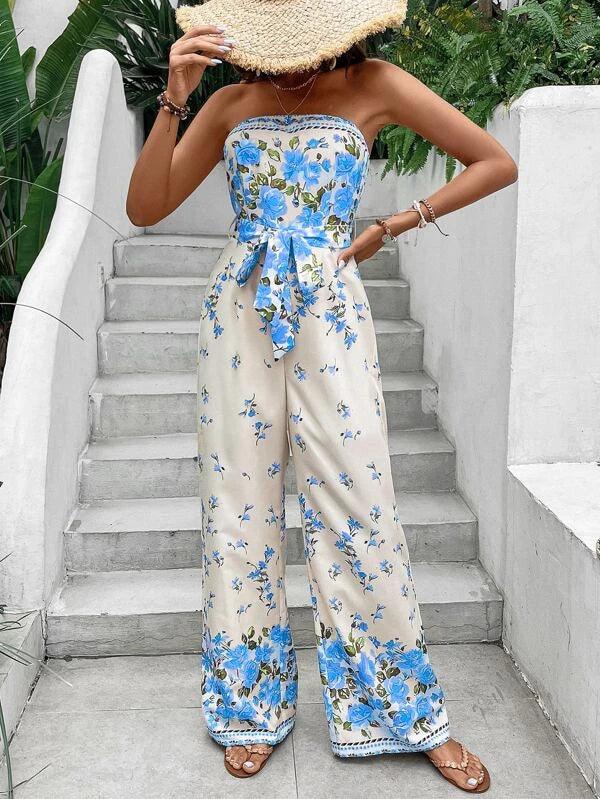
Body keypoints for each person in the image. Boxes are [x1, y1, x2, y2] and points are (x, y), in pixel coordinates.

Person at [127, 0, 517, 790]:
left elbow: (494, 161)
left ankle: (402, 708)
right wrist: (175, 96)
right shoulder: (229, 102)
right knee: (239, 514)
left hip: (331, 317)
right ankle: (250, 707)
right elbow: (145, 206)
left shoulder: (376, 84)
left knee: (361, 509)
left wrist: (393, 225)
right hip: (238, 319)